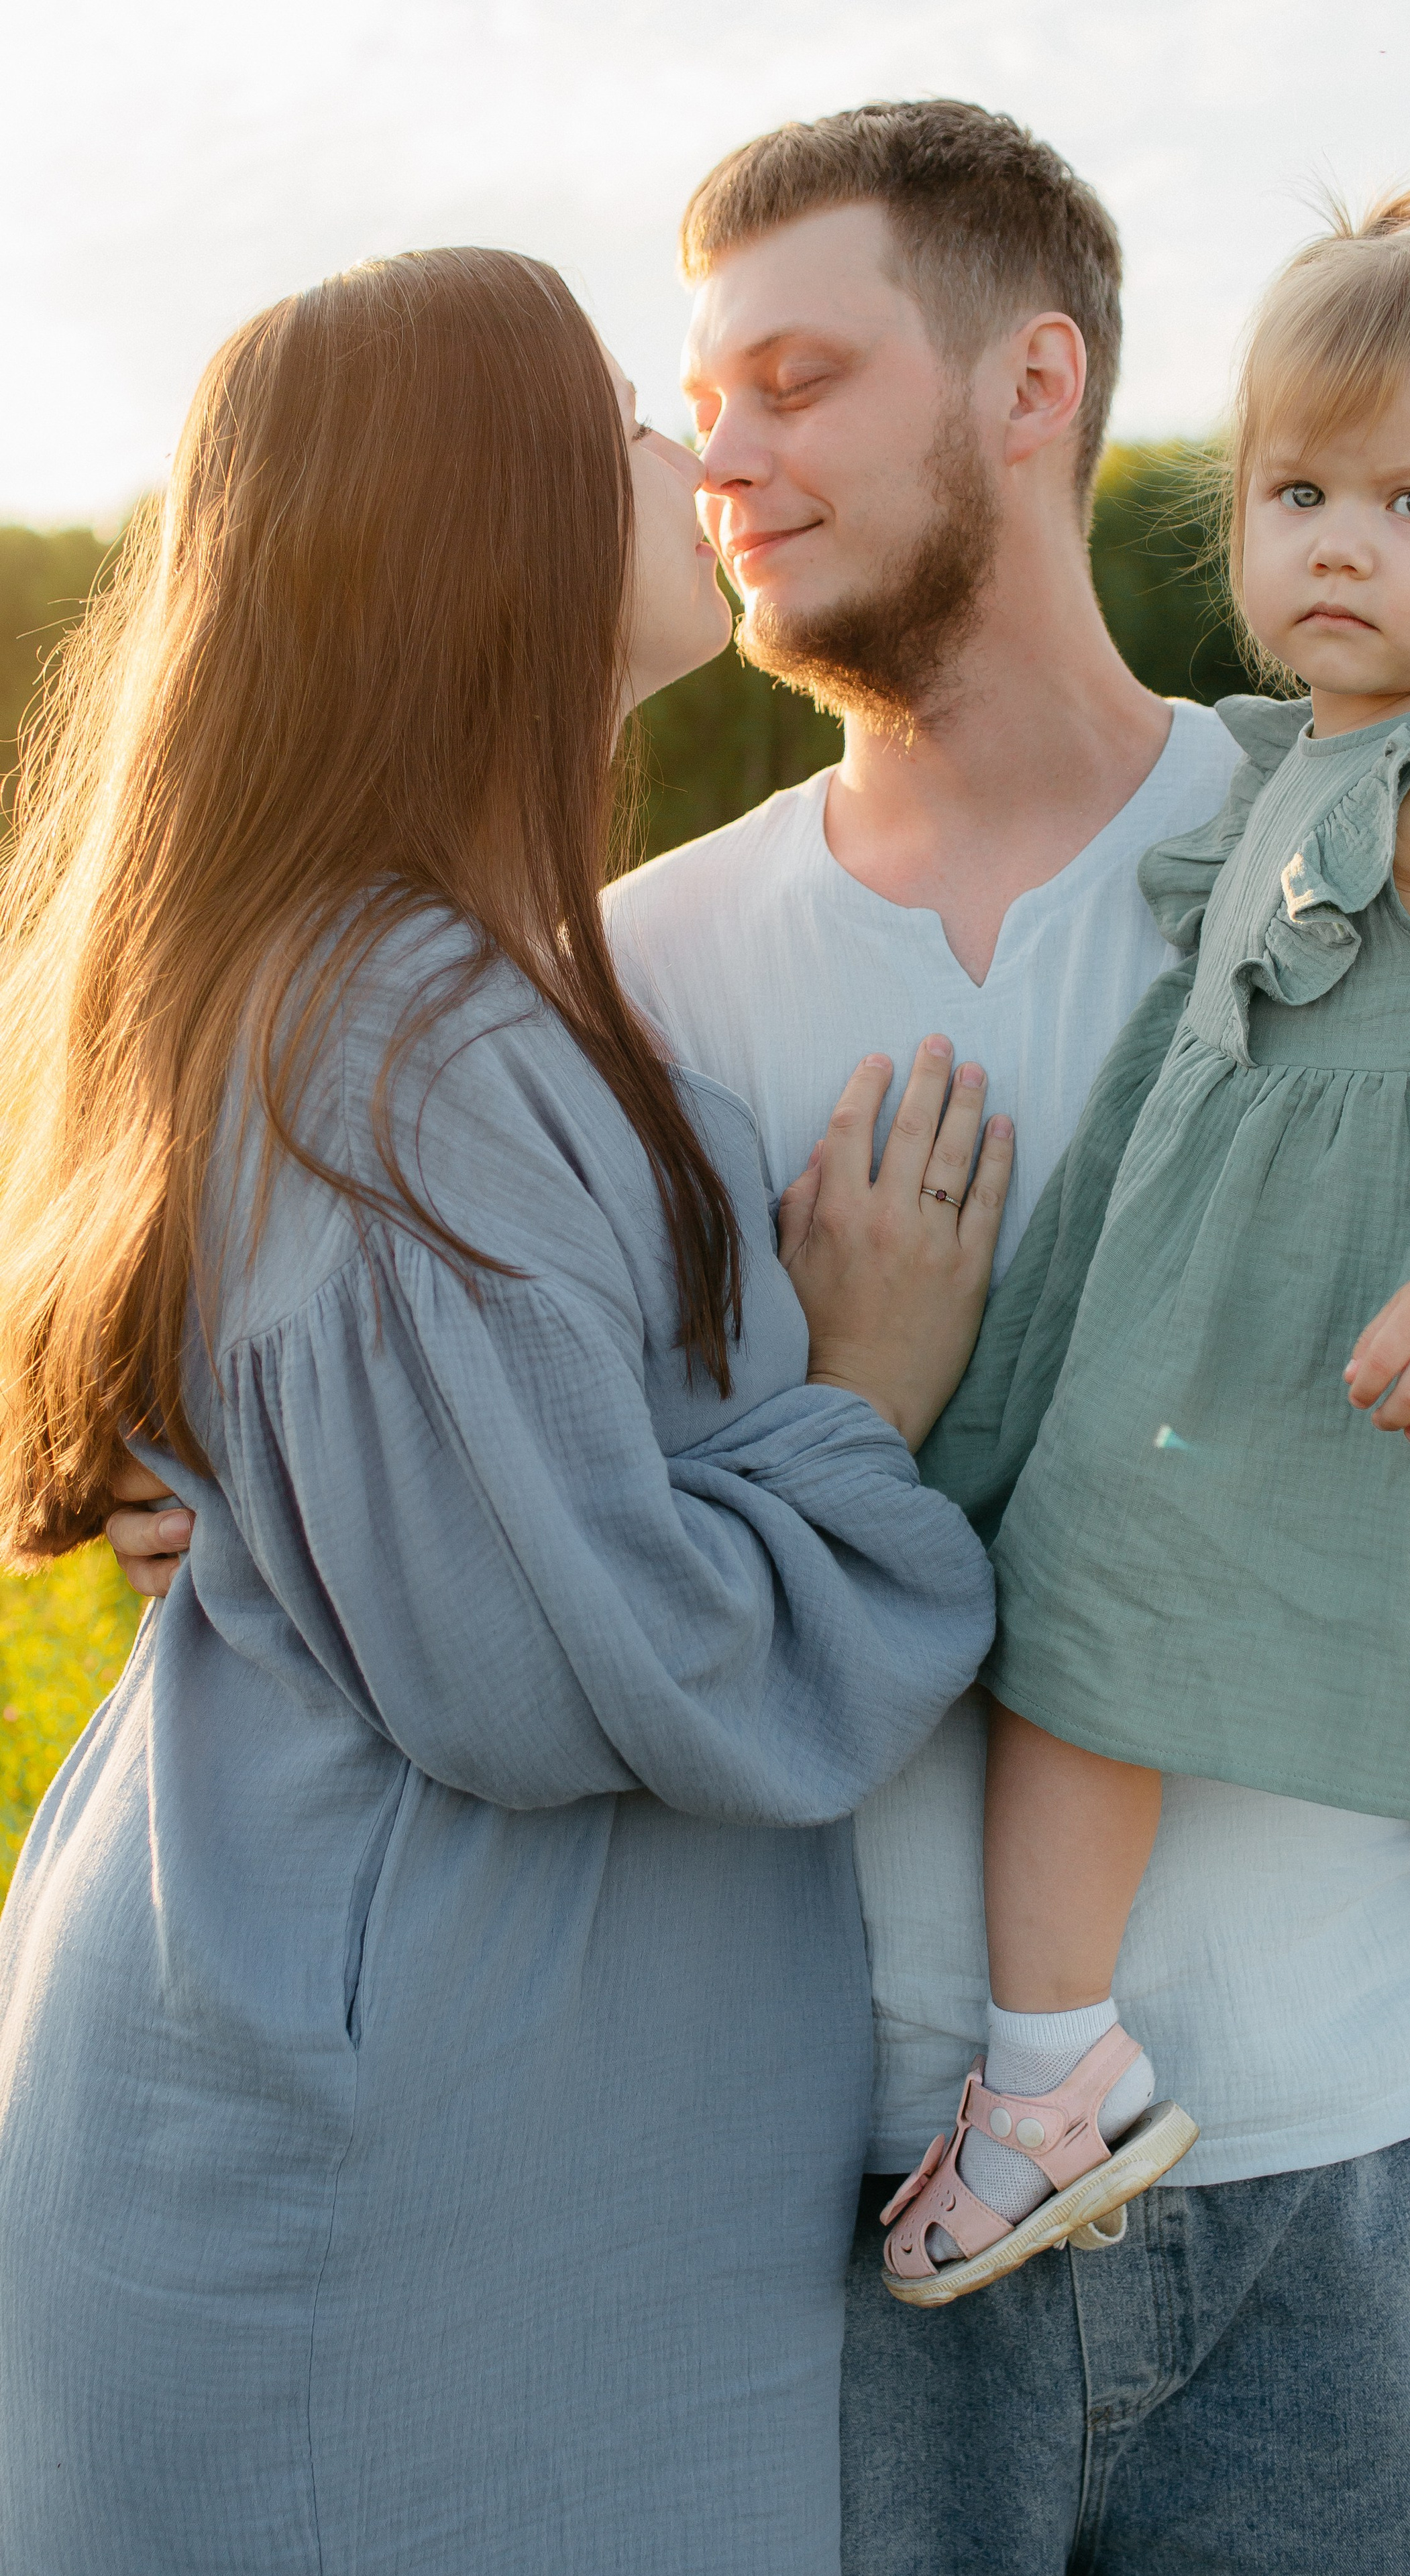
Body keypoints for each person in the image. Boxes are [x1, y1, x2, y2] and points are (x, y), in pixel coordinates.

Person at [109, 105, 1410, 2575]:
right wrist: (234, 1486)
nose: (722, 454)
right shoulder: (617, 976)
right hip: (814, 2223)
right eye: (701, 396)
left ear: (1034, 387)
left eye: (797, 377)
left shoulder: (1387, 852)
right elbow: (474, 1454)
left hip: (1357, 2154)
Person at [0, 244, 1011, 2576]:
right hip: (392, 2189)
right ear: (490, 524)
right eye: (625, 421)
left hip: (407, 2105)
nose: (693, 456)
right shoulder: (404, 1043)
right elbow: (583, 1655)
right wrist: (863, 1395)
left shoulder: (398, 986)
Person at [881, 188, 1410, 2305]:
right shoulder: (1297, 765)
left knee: (1077, 1649)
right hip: (1275, 1315)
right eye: (1298, 490)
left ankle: (1050, 2082)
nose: (1339, 539)